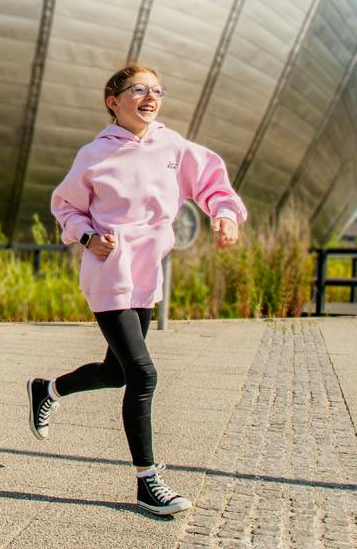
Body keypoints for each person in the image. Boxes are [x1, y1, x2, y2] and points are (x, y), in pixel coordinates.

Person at [25, 64, 246, 516]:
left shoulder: (172, 146)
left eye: (157, 90)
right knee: (144, 374)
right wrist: (88, 237)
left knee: (118, 372)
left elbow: (212, 183)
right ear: (114, 100)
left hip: (147, 277)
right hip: (108, 273)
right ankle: (148, 483)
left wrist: (224, 214)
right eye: (139, 89)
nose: (151, 97)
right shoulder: (95, 155)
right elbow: (65, 207)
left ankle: (47, 390)